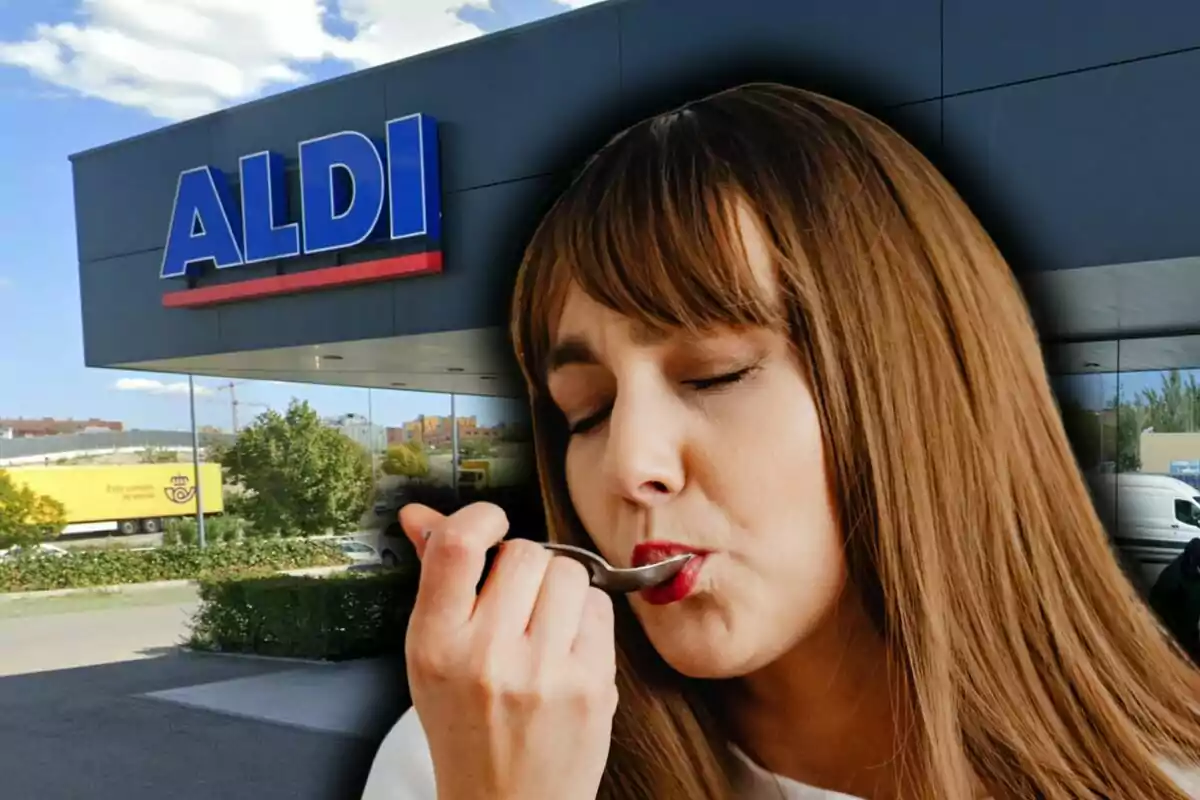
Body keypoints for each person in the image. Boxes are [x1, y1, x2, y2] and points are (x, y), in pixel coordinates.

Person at [362, 83, 1200, 800]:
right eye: (586, 411)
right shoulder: (465, 758)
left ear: (920, 387)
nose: (629, 465)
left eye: (715, 374)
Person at [1151, 538, 1200, 665]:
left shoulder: (1194, 573)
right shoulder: (1172, 578)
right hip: (1174, 637)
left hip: (1190, 632)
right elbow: (1156, 606)